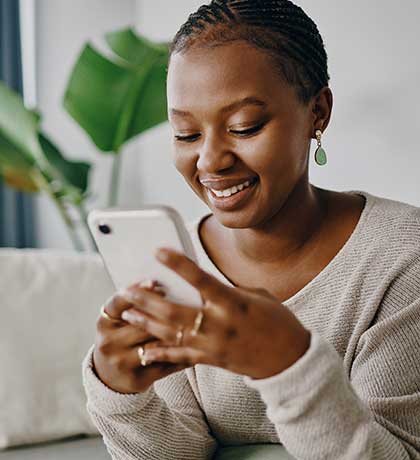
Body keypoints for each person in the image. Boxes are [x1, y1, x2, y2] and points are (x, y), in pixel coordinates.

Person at [82, 1, 420, 459]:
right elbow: (178, 451)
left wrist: (288, 363)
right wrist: (120, 394)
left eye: (245, 127)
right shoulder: (179, 263)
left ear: (317, 112)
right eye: (185, 134)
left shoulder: (402, 256)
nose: (209, 161)